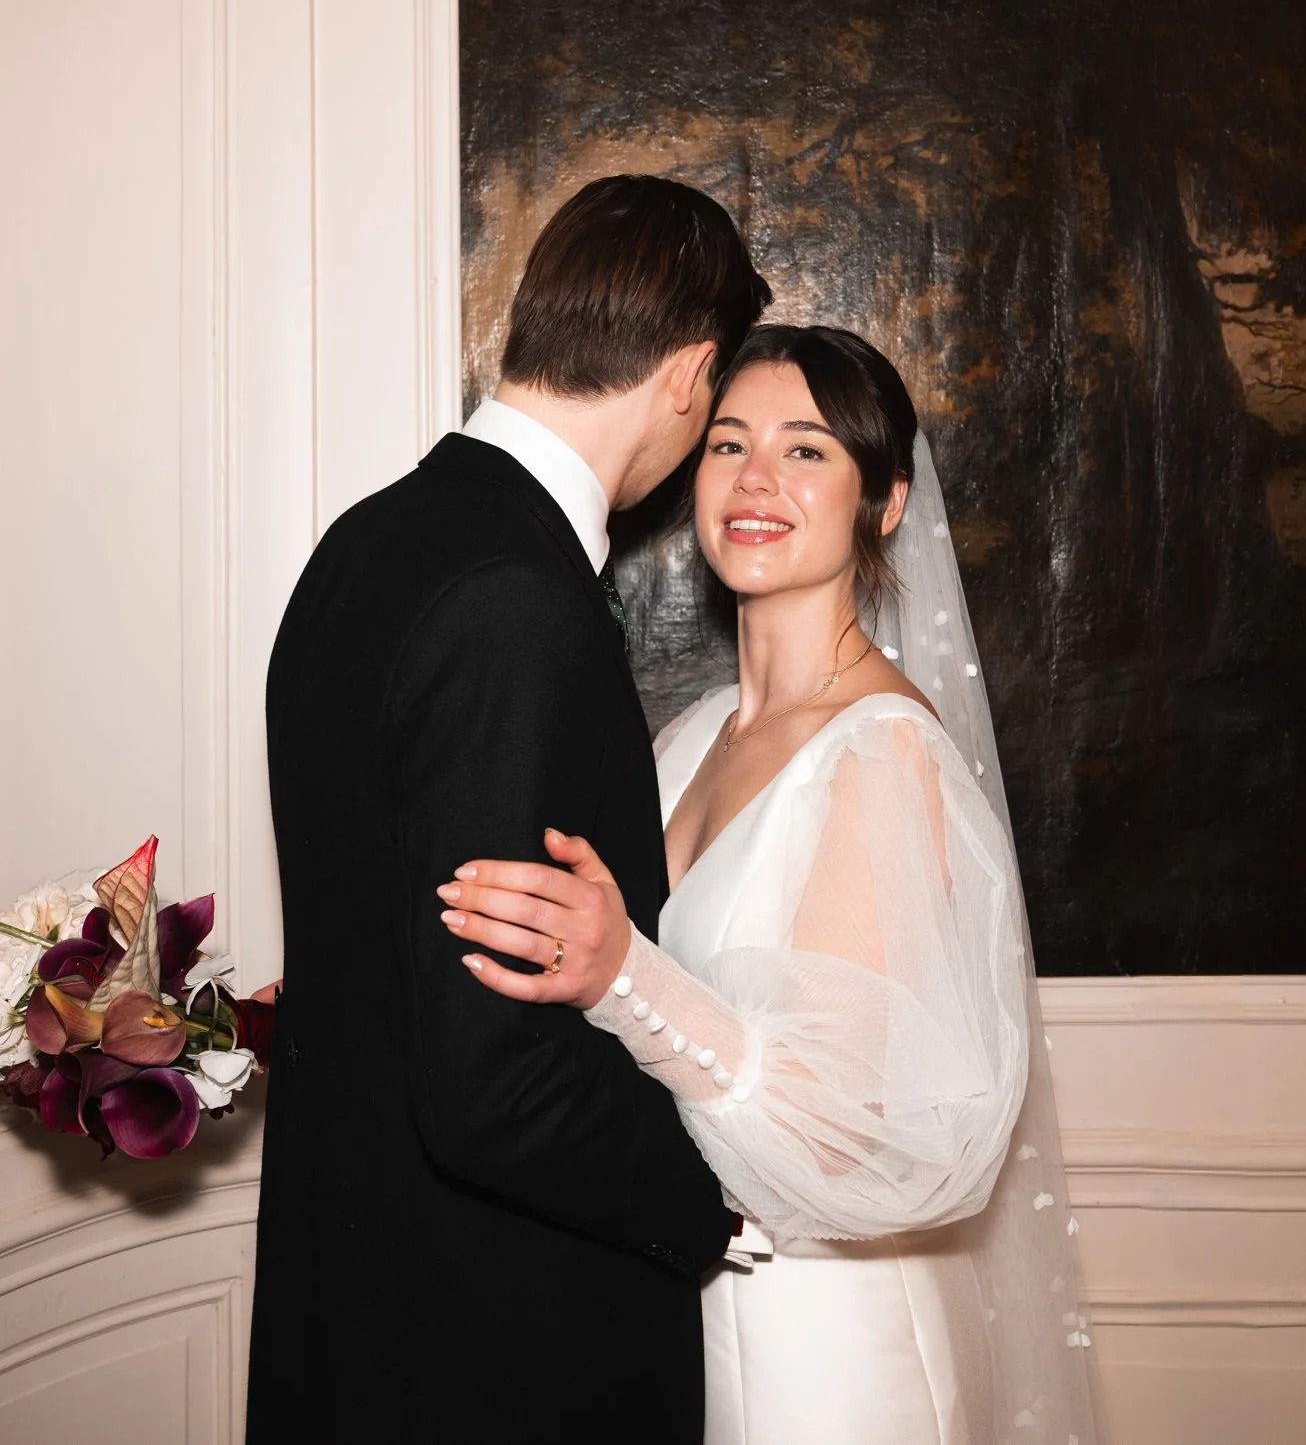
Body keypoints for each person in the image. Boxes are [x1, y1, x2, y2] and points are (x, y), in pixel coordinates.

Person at [440, 327, 1102, 1445]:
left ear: (883, 503)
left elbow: (846, 1135)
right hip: (681, 1297)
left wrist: (624, 977)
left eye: (805, 450)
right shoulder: (689, 737)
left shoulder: (880, 753)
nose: (754, 479)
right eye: (728, 443)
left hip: (823, 1343)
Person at [248, 176, 770, 1444]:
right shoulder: (515, 603)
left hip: (354, 1292)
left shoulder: (365, 539)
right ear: (690, 376)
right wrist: (705, 1202)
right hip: (493, 1340)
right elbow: (494, 1081)